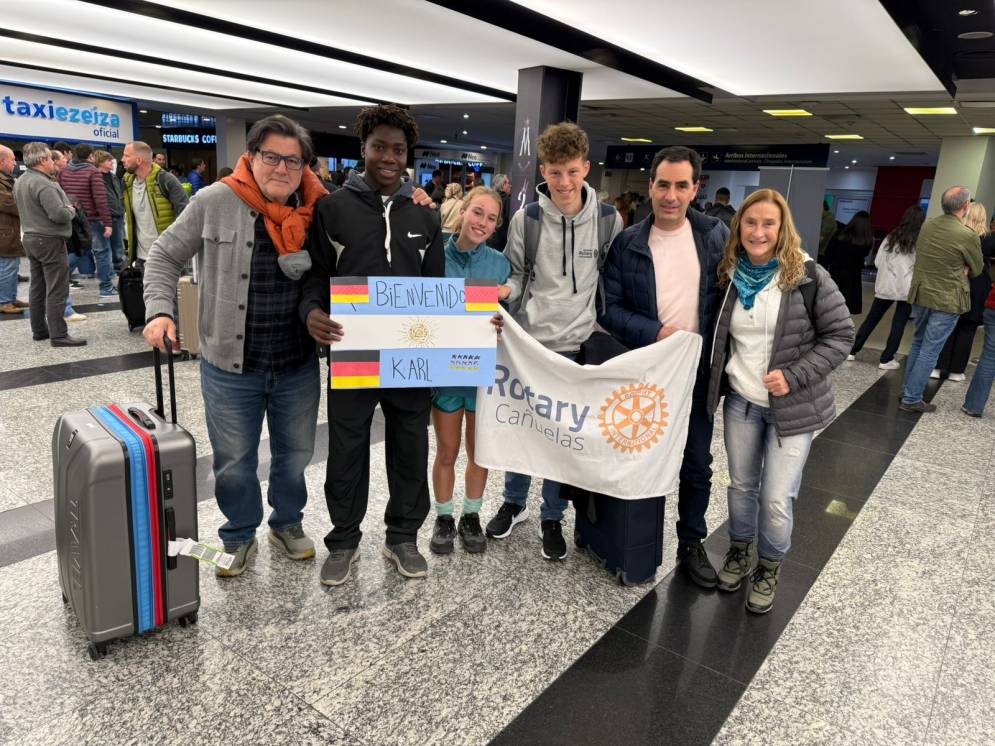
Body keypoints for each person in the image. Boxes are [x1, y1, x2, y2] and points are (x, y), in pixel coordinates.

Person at [142, 115, 327, 577]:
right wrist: (159, 310)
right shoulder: (214, 200)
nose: (282, 168)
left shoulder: (318, 208)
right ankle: (239, 534)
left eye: (293, 160)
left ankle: (286, 522)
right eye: (272, 157)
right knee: (234, 461)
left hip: (296, 363)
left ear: (304, 166)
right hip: (230, 366)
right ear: (251, 156)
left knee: (296, 455)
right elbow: (164, 255)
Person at [303, 103, 444, 586]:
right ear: (362, 147)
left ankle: (402, 536)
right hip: (353, 351)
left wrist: (464, 329)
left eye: (398, 150)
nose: (388, 157)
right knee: (346, 449)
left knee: (410, 446)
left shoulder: (425, 215)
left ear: (408, 156)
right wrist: (311, 311)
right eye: (379, 147)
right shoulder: (332, 209)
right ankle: (343, 541)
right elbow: (316, 276)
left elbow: (437, 290)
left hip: (410, 356)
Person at [706, 189, 853, 613]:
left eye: (768, 223)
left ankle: (769, 566)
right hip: (743, 402)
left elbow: (841, 335)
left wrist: (793, 375)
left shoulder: (807, 276)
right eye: (750, 223)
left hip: (793, 408)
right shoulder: (729, 274)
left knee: (775, 496)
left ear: (782, 228)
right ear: (739, 228)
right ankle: (739, 551)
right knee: (741, 487)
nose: (758, 232)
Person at [485, 121, 623, 562]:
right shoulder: (526, 219)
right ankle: (514, 502)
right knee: (523, 428)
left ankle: (552, 515)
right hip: (529, 344)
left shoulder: (607, 221)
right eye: (555, 172)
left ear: (586, 168)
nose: (564, 182)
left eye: (572, 172)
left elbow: (611, 280)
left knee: (562, 436)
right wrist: (504, 292)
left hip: (578, 346)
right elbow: (516, 274)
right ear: (543, 171)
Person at [598, 145, 728, 587]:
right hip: (648, 371)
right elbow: (609, 309)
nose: (671, 195)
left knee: (697, 463)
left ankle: (691, 543)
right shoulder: (628, 242)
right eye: (663, 185)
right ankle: (627, 540)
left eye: (681, 186)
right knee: (636, 457)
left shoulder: (715, 236)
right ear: (650, 186)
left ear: (695, 189)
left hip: (698, 374)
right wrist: (656, 332)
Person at [429, 187, 512, 555]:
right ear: (462, 211)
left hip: (482, 375)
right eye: (478, 212)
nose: (482, 222)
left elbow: (513, 314)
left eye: (491, 218)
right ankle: (444, 517)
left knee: (480, 453)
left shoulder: (500, 265)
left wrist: (506, 305)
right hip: (446, 373)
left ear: (496, 226)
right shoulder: (434, 257)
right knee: (446, 451)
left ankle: (471, 515)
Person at [900, 186, 984, 413]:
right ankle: (911, 398)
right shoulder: (967, 235)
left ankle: (907, 391)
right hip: (947, 299)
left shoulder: (927, 225)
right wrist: (963, 267)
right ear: (966, 206)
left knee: (918, 342)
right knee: (930, 349)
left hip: (922, 293)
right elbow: (977, 268)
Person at [12, 142, 85, 347]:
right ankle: (59, 334)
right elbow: (58, 214)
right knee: (57, 288)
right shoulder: (44, 183)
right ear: (43, 160)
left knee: (37, 287)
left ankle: (39, 330)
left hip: (30, 238)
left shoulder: (21, 181)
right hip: (49, 240)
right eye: (51, 159)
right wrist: (71, 209)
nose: (54, 162)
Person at [847, 205, 924, 369]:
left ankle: (852, 351)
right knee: (899, 323)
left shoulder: (891, 237)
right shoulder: (920, 241)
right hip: (907, 288)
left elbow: (877, 262)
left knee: (872, 319)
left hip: (886, 285)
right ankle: (886, 359)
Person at [934, 202, 995, 381]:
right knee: (968, 329)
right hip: (979, 285)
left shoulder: (957, 233)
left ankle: (937, 367)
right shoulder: (989, 238)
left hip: (956, 282)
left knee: (948, 326)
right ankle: (956, 371)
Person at [57, 143, 116, 298]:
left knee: (77, 251)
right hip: (92, 219)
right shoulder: (93, 172)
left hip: (72, 218)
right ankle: (106, 287)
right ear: (91, 156)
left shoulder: (63, 171)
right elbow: (100, 199)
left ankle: (57, 281)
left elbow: (60, 195)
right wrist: (107, 223)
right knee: (102, 252)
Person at [122, 141, 189, 265]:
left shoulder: (166, 180)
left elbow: (186, 214)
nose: (122, 160)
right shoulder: (127, 182)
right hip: (140, 258)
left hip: (166, 257)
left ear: (139, 160)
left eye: (126, 156)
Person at [825, 210, 873, 315]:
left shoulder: (840, 235)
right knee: (846, 307)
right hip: (853, 277)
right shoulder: (867, 241)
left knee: (830, 304)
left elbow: (828, 254)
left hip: (836, 273)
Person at [0, 145, 27, 315]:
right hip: (4, 232)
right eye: (12, 160)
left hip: (9, 230)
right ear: (1, 161)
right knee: (7, 267)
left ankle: (10, 298)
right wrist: (28, 205)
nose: (15, 163)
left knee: (12, 266)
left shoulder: (7, 179)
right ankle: (4, 302)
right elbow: (8, 203)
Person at [93, 150, 125, 270]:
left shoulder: (113, 177)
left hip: (118, 214)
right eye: (108, 160)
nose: (112, 162)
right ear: (100, 162)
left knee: (118, 243)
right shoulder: (95, 178)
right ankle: (109, 268)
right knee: (105, 246)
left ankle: (118, 265)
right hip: (105, 216)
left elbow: (118, 195)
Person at [489, 173, 512, 251]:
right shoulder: (507, 200)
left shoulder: (490, 198)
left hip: (488, 238)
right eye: (508, 183)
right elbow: (509, 219)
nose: (510, 186)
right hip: (501, 241)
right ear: (503, 185)